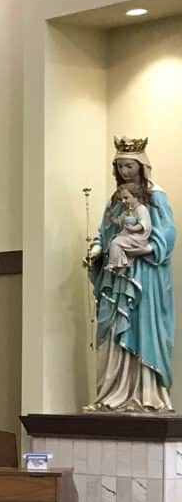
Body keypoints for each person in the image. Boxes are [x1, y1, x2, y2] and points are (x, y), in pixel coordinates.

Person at [86, 137, 175, 411]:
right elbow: (105, 231)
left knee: (142, 326)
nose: (125, 172)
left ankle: (146, 395)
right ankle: (113, 393)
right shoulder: (115, 199)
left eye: (129, 166)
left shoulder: (155, 196)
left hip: (144, 276)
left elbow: (168, 233)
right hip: (116, 276)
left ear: (141, 166)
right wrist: (98, 249)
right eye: (120, 167)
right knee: (113, 328)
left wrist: (144, 249)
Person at [105, 183, 153, 272]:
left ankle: (113, 264)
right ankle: (123, 265)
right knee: (116, 242)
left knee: (116, 243)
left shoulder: (141, 209)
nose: (123, 201)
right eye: (121, 199)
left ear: (135, 196)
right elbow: (119, 222)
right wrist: (110, 216)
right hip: (129, 236)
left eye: (126, 198)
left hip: (138, 238)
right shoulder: (127, 211)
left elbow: (143, 224)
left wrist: (133, 229)